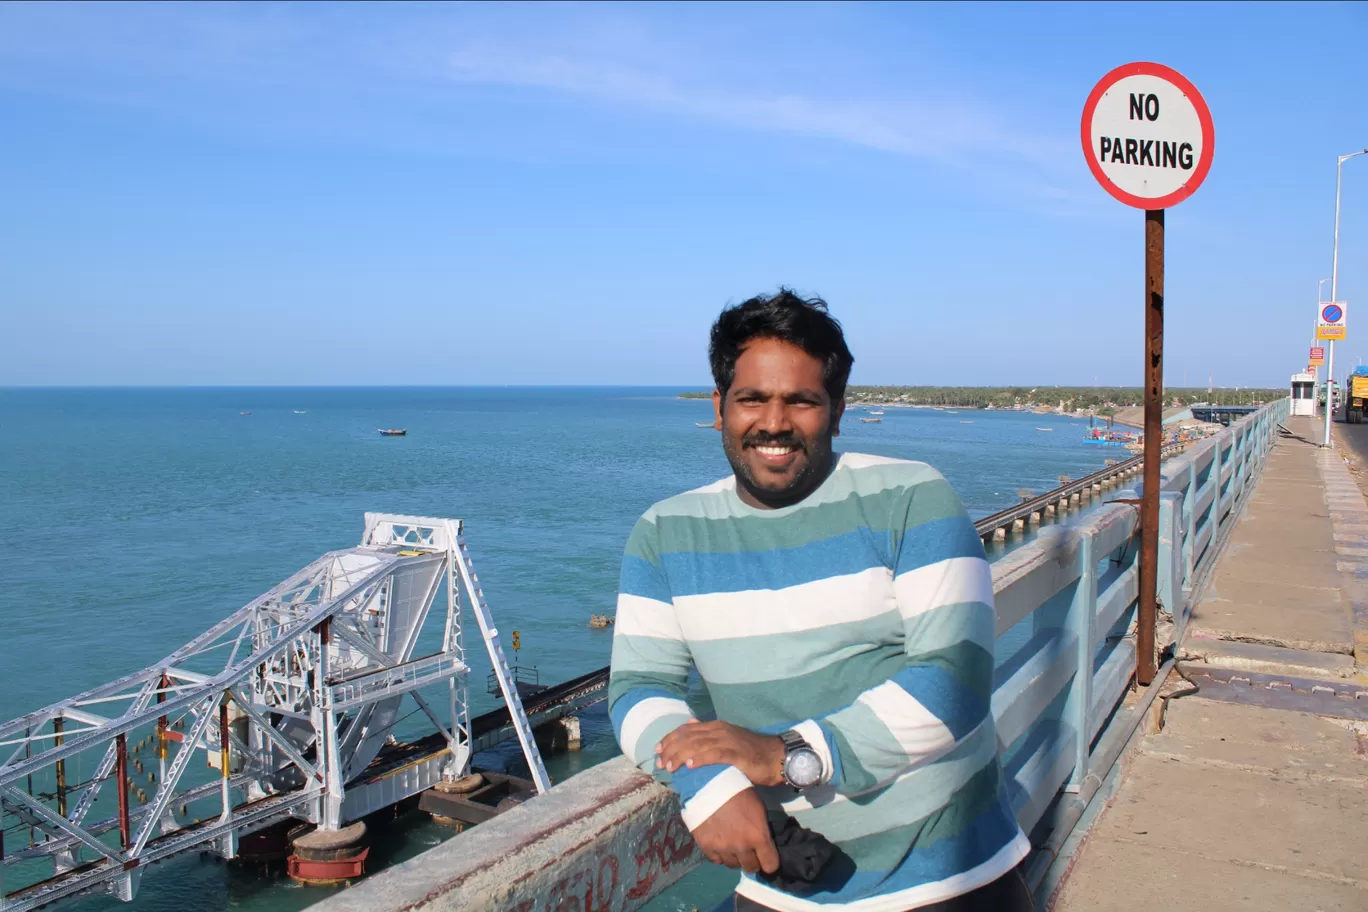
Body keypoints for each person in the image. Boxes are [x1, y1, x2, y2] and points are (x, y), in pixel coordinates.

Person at [608, 290, 1033, 911]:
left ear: (835, 412)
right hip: (784, 889)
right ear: (719, 405)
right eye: (752, 398)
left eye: (800, 401)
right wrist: (704, 781)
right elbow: (639, 686)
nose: (774, 422)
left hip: (954, 880)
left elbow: (956, 678)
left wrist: (786, 755)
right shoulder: (664, 533)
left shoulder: (911, 498)